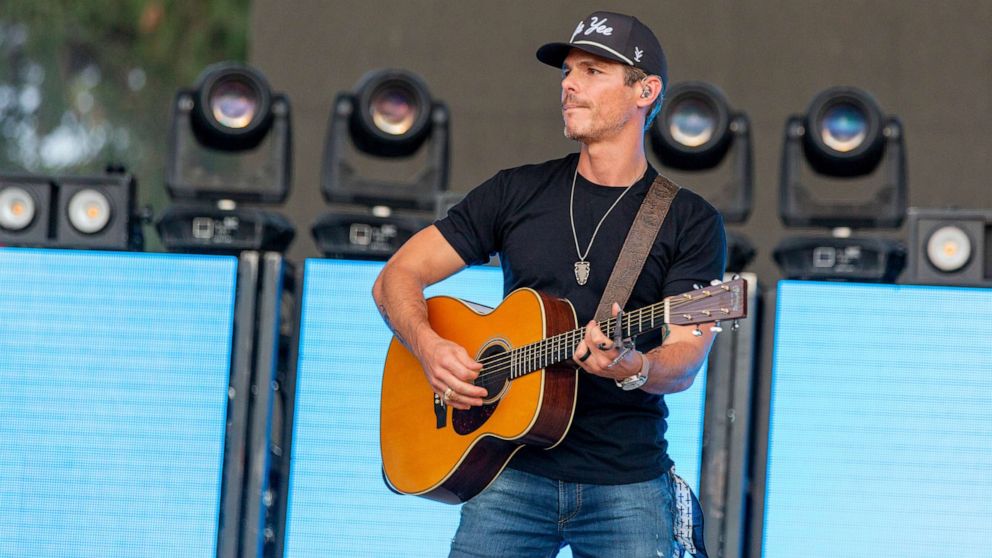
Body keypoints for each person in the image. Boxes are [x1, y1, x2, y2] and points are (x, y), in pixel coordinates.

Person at [372, 10, 725, 558]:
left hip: (625, 482)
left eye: (592, 71)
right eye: (566, 71)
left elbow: (684, 359)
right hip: (508, 472)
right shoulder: (516, 192)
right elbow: (397, 276)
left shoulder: (688, 221)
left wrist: (636, 368)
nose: (568, 84)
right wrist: (429, 346)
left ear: (645, 90)